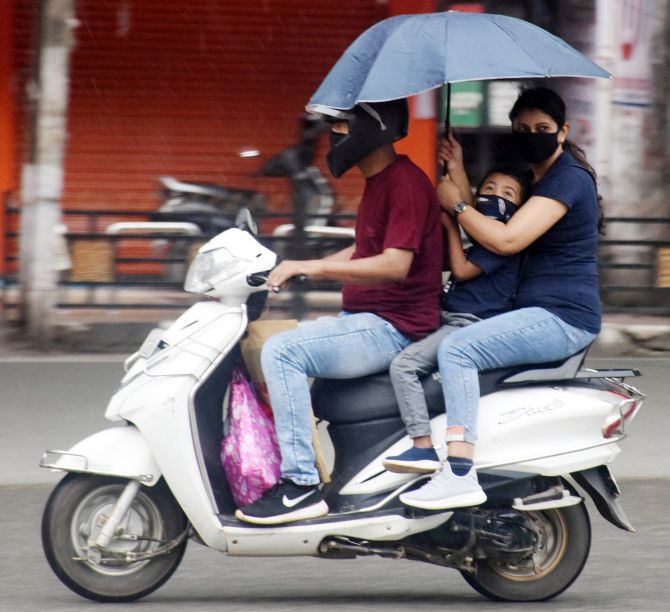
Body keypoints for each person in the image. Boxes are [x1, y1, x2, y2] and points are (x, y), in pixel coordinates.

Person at [235, 99, 443, 525]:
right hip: (367, 320)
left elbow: (395, 263)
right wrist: (298, 269)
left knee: (283, 352)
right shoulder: (381, 181)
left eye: (343, 126)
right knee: (274, 347)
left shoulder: (404, 182)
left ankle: (300, 486)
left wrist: (313, 265)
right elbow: (367, 250)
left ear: (375, 128)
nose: (335, 135)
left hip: (393, 328)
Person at [400, 86, 604, 510]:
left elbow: (507, 238)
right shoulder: (534, 179)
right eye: (522, 128)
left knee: (457, 350)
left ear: (563, 132)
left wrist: (456, 207)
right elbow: (488, 212)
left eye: (542, 128)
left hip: (563, 316)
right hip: (531, 311)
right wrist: (456, 170)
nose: (532, 135)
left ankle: (458, 471)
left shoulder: (567, 179)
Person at [383, 166, 530, 474]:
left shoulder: (500, 246)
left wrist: (451, 226)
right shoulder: (482, 239)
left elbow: (461, 270)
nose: (495, 197)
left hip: (468, 324)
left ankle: (421, 445)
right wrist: (455, 166)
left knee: (404, 366)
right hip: (450, 317)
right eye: (489, 189)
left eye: (507, 194)